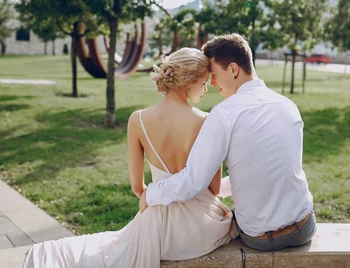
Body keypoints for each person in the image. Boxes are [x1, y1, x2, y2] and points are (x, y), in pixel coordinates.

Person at [23, 48, 236, 268]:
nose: (205, 89)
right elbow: (214, 189)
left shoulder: (138, 120)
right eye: (202, 82)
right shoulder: (206, 121)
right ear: (188, 81)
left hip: (158, 228)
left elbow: (137, 187)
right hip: (201, 228)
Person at [141, 34, 316, 251]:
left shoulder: (224, 114)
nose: (212, 83)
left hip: (259, 237)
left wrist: (151, 193)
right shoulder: (288, 105)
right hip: (304, 228)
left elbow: (193, 181)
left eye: (213, 75)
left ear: (233, 70)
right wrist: (221, 189)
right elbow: (270, 169)